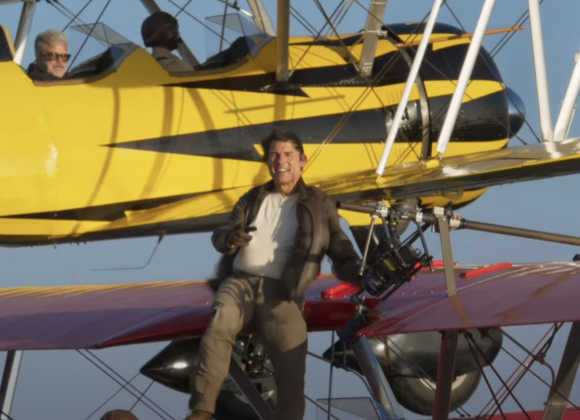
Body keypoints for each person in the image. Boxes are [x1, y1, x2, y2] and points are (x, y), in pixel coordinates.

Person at [186, 128, 362, 420]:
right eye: (274, 155)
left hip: (282, 291)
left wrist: (362, 274)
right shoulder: (252, 198)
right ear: (268, 162)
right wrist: (230, 239)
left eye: (288, 155)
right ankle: (202, 411)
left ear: (303, 160)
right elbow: (221, 235)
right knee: (221, 321)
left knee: (293, 352)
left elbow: (340, 248)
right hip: (240, 282)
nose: (281, 161)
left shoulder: (319, 203)